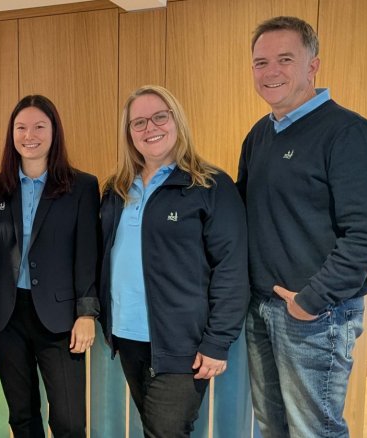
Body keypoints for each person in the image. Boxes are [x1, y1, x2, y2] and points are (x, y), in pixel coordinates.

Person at [239, 16, 367, 437]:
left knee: (314, 430)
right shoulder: (259, 135)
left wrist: (310, 301)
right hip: (262, 308)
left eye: (285, 59)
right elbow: (241, 209)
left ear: (313, 65)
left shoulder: (349, 133)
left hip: (316, 315)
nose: (270, 72)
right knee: (271, 427)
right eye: (260, 62)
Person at [98, 85, 249, 437]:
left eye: (159, 117)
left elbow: (231, 268)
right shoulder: (117, 189)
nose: (150, 128)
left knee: (166, 431)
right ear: (129, 134)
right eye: (138, 122)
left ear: (177, 121)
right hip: (128, 334)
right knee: (154, 428)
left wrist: (217, 341)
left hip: (184, 343)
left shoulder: (210, 185)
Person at [0, 95, 99, 437]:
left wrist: (87, 313)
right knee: (22, 416)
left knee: (69, 421)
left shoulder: (81, 186)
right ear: (12, 134)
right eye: (21, 127)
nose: (30, 135)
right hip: (6, 316)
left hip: (60, 319)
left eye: (40, 126)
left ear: (54, 132)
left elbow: (87, 253)